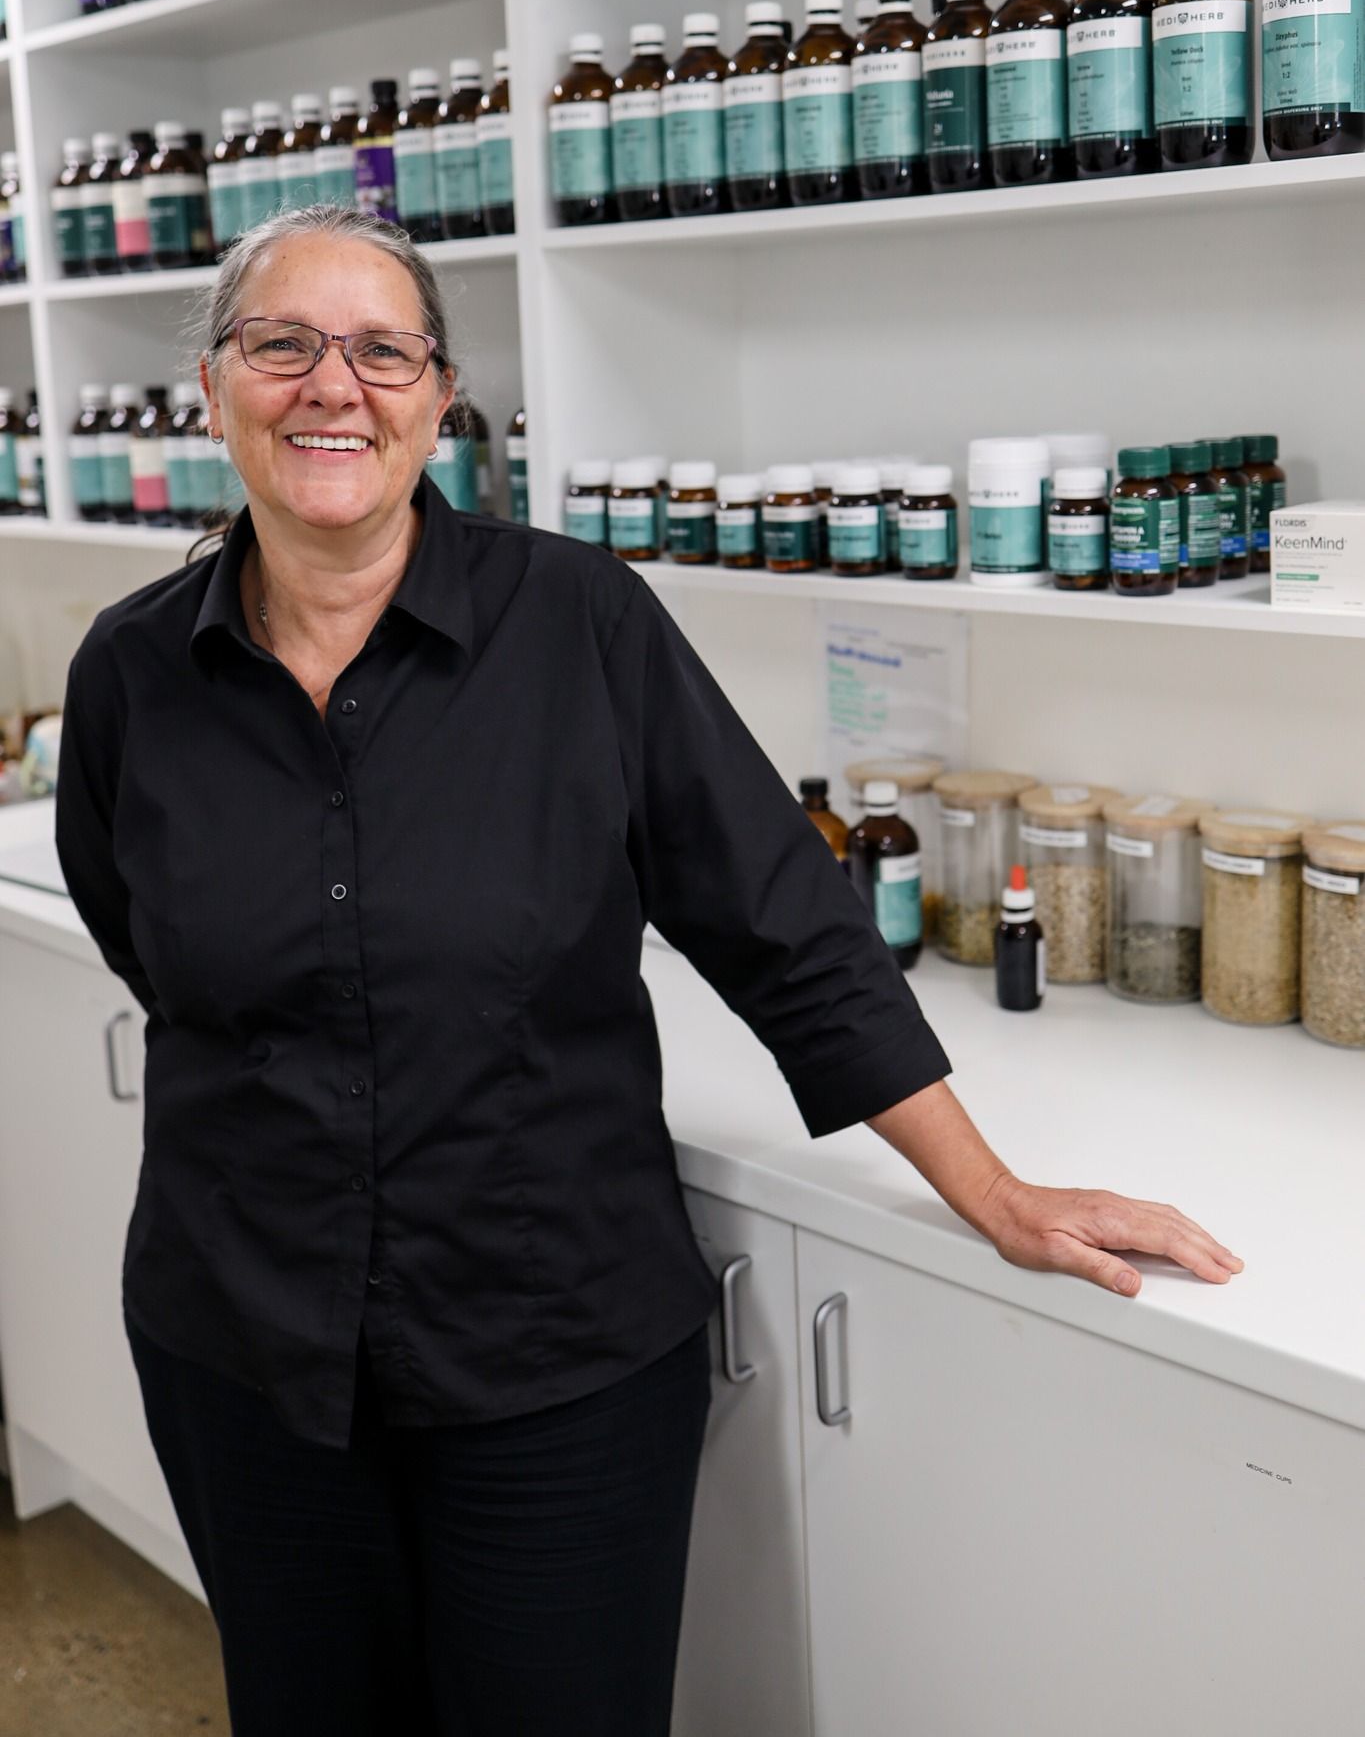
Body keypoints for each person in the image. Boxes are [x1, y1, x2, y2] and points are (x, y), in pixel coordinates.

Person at [54, 205, 1242, 1736]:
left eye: (379, 351)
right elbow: (146, 936)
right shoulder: (134, 670)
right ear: (213, 389)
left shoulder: (581, 624)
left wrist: (990, 1190)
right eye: (281, 345)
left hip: (552, 1350)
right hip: (244, 1347)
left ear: (437, 396)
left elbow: (779, 922)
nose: (329, 386)